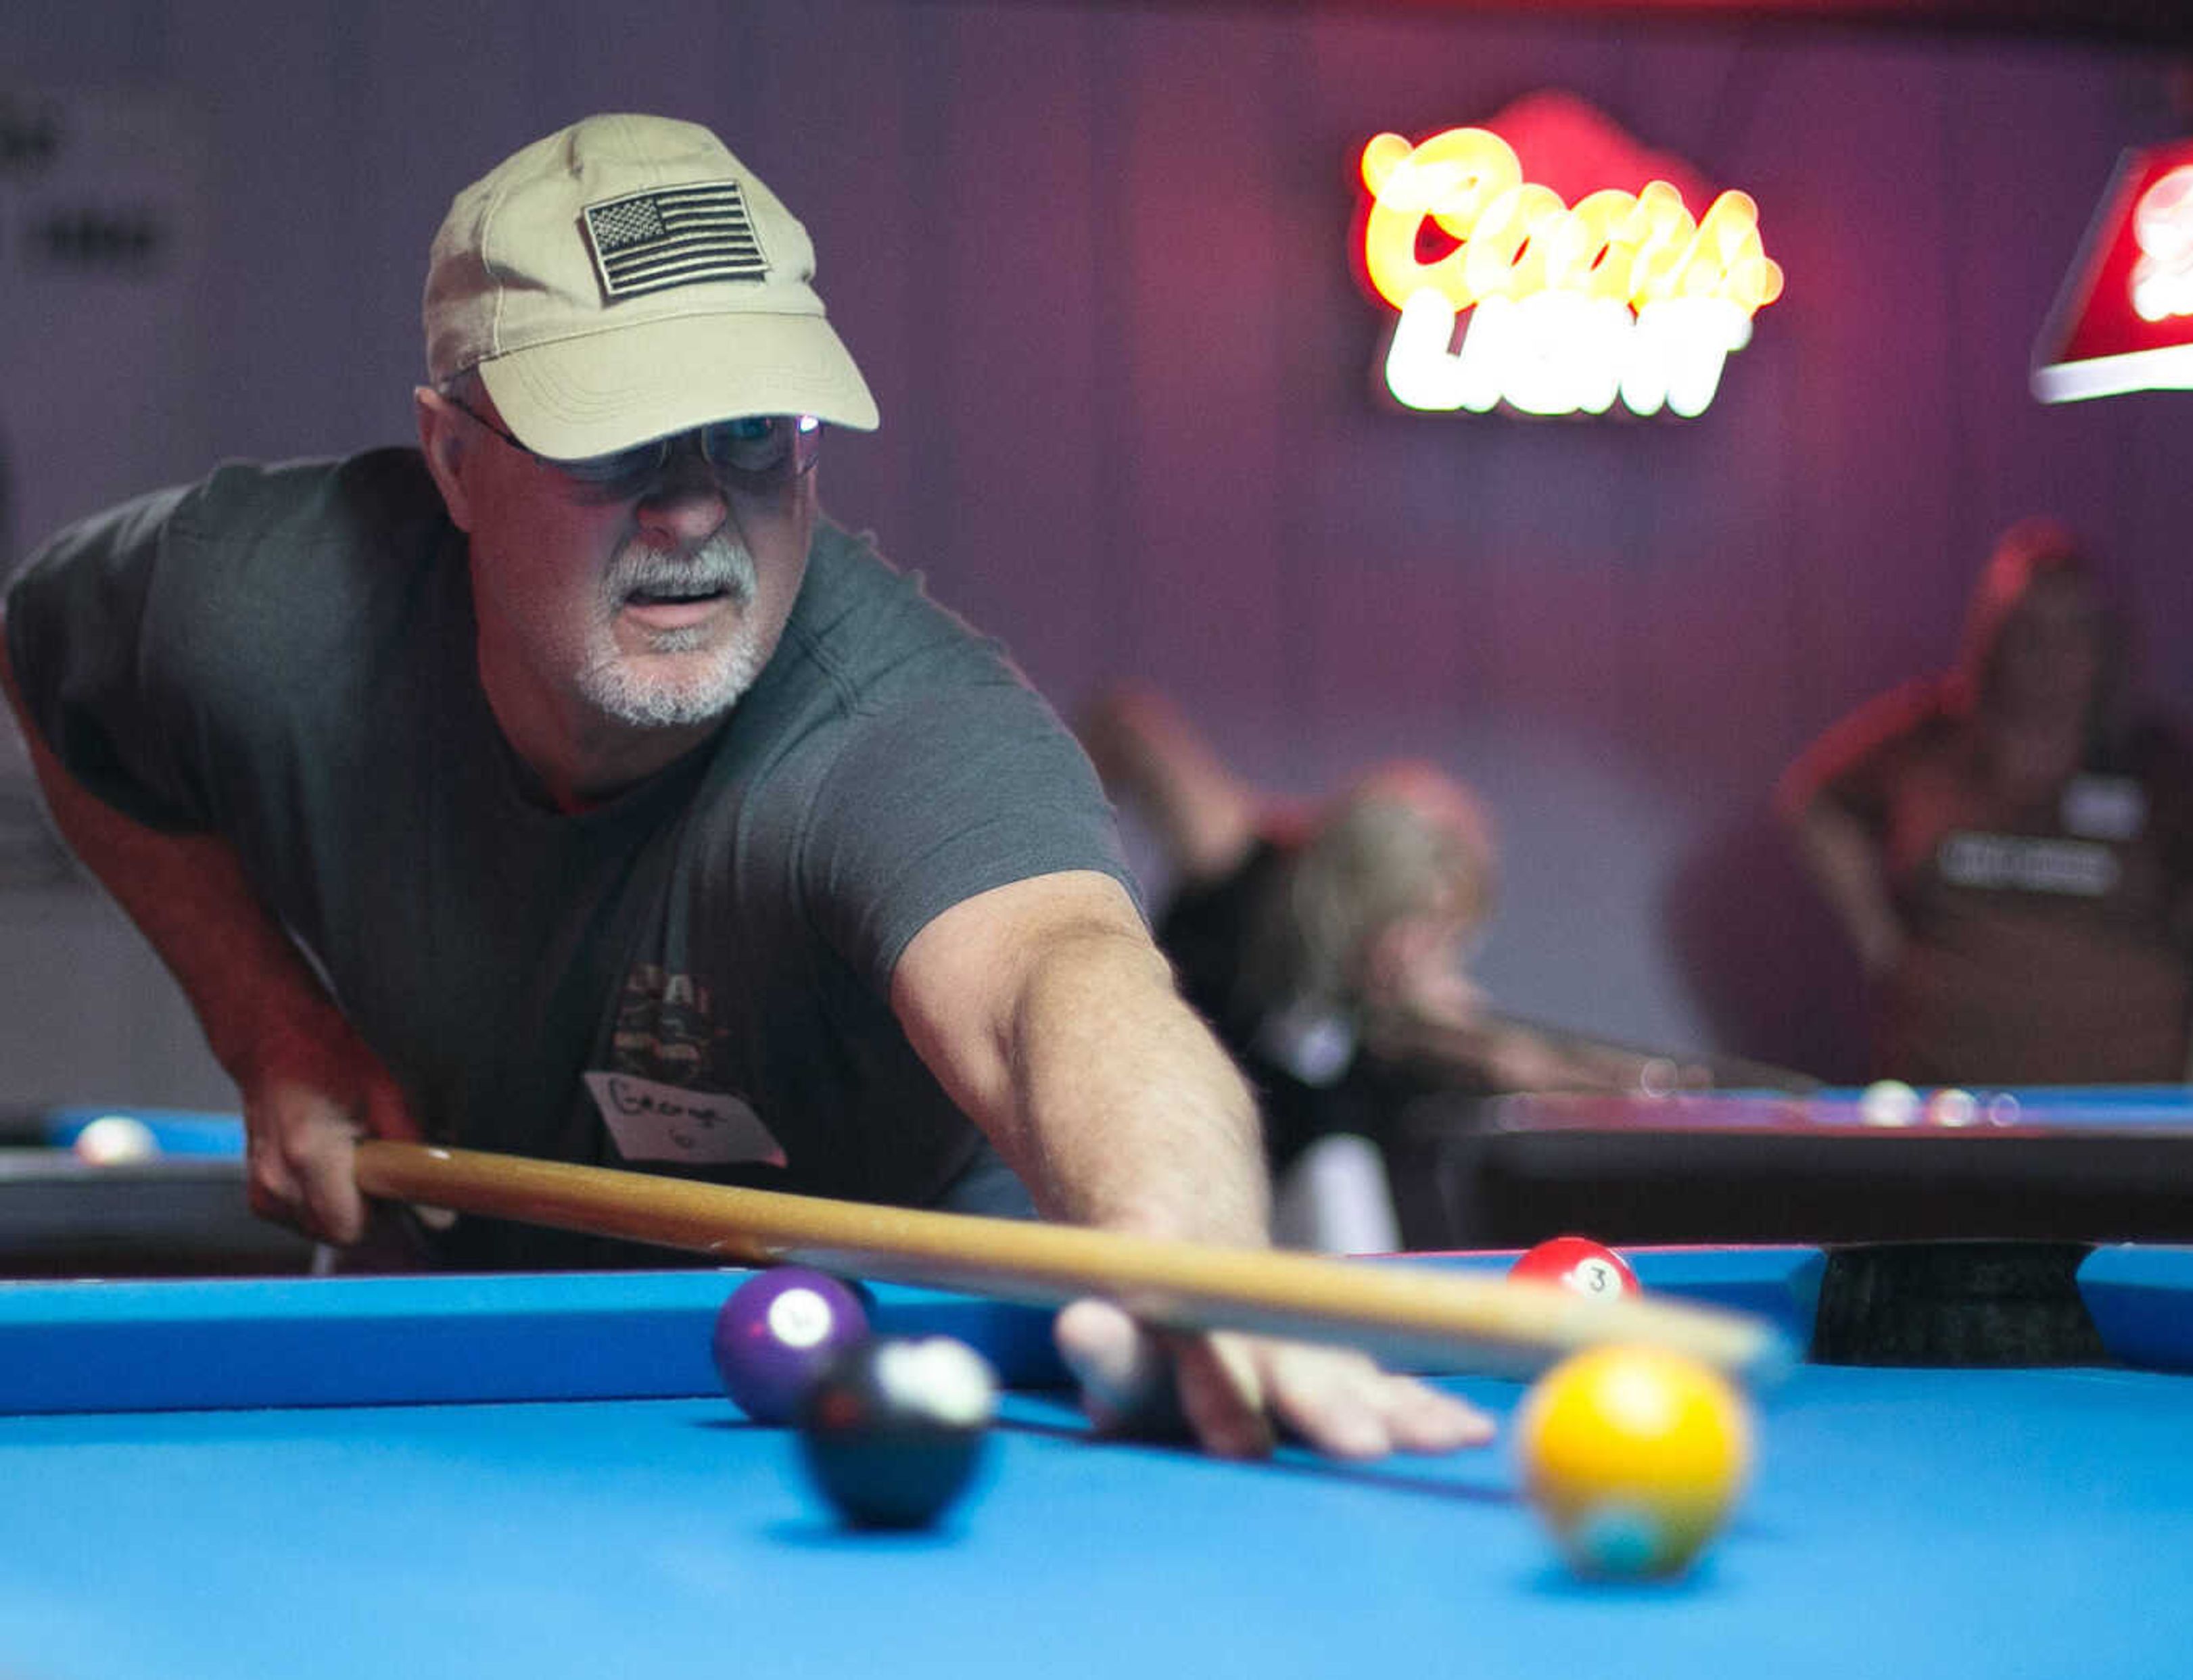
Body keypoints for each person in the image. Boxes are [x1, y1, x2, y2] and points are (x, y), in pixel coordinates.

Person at [0, 114, 1488, 1462]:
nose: (698, 502)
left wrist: (1190, 1248)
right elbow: (51, 671)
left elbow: (1060, 983)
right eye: (621, 438)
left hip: (905, 1374)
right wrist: (266, 1016)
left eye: (752, 433)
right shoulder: (259, 601)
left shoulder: (897, 729)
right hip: (450, 1354)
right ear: (455, 456)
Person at [1085, 683, 1747, 1251]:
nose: (1419, 951)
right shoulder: (1239, 853)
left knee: (1344, 1184)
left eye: (1445, 933)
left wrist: (1643, 1086)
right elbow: (1127, 720)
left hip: (1283, 1198)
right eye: (1409, 922)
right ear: (1351, 888)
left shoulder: (1413, 1012)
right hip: (1157, 1142)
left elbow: (1507, 1057)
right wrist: (1072, 901)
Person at [1776, 520, 2193, 1085]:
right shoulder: (1930, 736)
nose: (2051, 655)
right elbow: (1813, 802)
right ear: (1995, 639)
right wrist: (1879, 940)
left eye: (2075, 633)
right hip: (1945, 1097)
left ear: (2105, 647)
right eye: (2030, 631)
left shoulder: (2158, 763)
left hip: (2121, 1103)